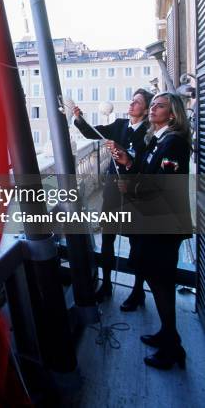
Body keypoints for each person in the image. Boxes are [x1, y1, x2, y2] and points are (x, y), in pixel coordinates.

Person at [111, 92, 192, 370]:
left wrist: (131, 187)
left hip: (163, 225)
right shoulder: (159, 140)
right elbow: (148, 172)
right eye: (153, 105)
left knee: (162, 283)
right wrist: (129, 163)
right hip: (155, 223)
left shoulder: (174, 142)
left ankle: (172, 347)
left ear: (172, 114)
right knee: (158, 281)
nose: (153, 109)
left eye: (159, 106)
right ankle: (168, 335)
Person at [72, 88, 153, 308]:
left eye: (136, 102)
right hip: (112, 190)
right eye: (132, 101)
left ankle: (138, 291)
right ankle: (106, 284)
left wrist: (127, 156)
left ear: (145, 110)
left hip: (134, 193)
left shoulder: (150, 132)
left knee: (137, 242)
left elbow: (146, 165)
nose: (131, 104)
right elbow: (92, 133)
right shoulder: (118, 124)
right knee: (107, 237)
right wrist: (79, 118)